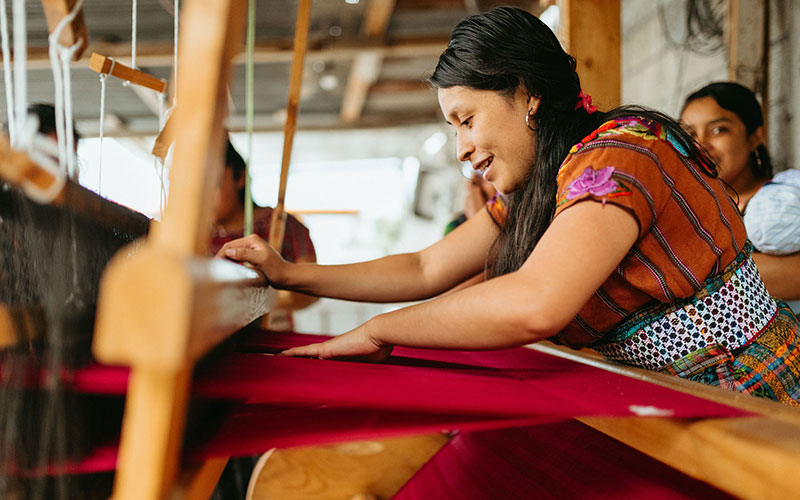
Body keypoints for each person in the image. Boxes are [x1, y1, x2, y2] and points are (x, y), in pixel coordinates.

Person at [219, 7, 800, 404]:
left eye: (466, 121)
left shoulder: (619, 160)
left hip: (750, 396)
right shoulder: (546, 183)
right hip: (670, 392)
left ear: (528, 94)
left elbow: (535, 304)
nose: (462, 150)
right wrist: (289, 273)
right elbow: (425, 267)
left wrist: (382, 332)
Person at [681, 82, 800, 313]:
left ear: (755, 136)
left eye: (719, 130)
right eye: (689, 133)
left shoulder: (785, 199)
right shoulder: (684, 213)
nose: (700, 144)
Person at [210, 139, 318, 330]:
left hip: (272, 342)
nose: (206, 196)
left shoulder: (284, 226)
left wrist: (269, 298)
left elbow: (312, 290)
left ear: (240, 177)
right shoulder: (193, 236)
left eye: (215, 183)